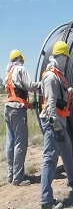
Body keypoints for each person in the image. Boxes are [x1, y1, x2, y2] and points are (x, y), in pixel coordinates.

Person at [39, 41, 73, 209]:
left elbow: (61, 94)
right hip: (53, 123)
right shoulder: (50, 77)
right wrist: (56, 127)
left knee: (67, 149)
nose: (67, 61)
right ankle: (46, 200)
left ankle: (72, 179)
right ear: (62, 57)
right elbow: (50, 106)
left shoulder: (58, 75)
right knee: (50, 159)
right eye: (66, 58)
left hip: (59, 123)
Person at [5, 49, 40, 186]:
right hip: (17, 110)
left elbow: (16, 94)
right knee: (20, 142)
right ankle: (18, 178)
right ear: (20, 58)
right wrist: (42, 84)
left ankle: (11, 174)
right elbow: (29, 86)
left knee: (11, 142)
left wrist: (30, 105)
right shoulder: (20, 69)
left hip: (8, 109)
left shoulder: (9, 71)